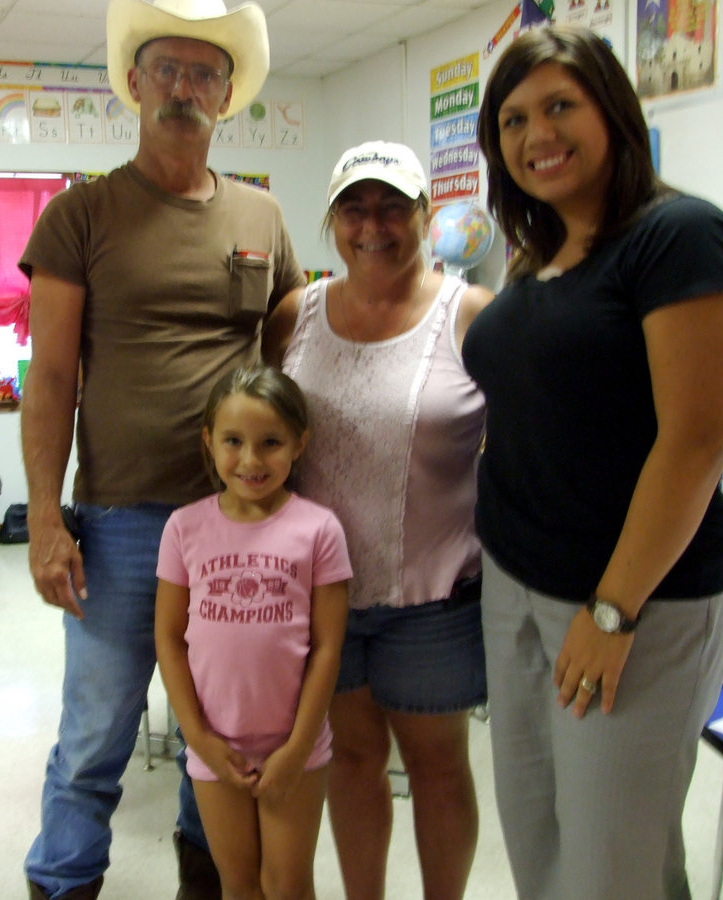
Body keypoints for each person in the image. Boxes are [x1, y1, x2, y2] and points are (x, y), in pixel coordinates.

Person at [17, 0, 305, 896]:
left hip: (236, 524)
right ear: (134, 85)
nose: (185, 89)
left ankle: (205, 878)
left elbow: (289, 366)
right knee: (98, 726)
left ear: (230, 95)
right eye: (168, 71)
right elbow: (52, 379)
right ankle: (64, 882)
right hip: (120, 523)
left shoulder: (262, 216)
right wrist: (41, 515)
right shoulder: (83, 215)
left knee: (216, 725)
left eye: (205, 74)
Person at [465, 25, 723, 899]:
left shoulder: (680, 237)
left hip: (633, 603)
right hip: (516, 587)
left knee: (605, 870)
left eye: (560, 106)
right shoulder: (539, 255)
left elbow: (697, 440)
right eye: (513, 120)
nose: (536, 135)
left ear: (614, 111)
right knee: (544, 845)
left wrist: (614, 609)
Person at [265, 141, 493, 899]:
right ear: (332, 220)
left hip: (432, 601)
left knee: (436, 766)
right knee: (353, 761)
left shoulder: (470, 316)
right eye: (354, 208)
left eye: (393, 206)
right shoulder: (297, 313)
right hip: (323, 597)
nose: (374, 225)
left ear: (427, 215)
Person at [155, 365, 352, 900]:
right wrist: (199, 738)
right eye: (233, 442)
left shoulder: (319, 529)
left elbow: (328, 647)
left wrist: (297, 747)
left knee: (286, 885)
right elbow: (169, 639)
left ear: (299, 443)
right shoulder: (184, 528)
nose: (250, 460)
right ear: (209, 442)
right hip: (215, 746)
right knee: (239, 883)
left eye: (270, 443)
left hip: (295, 747)